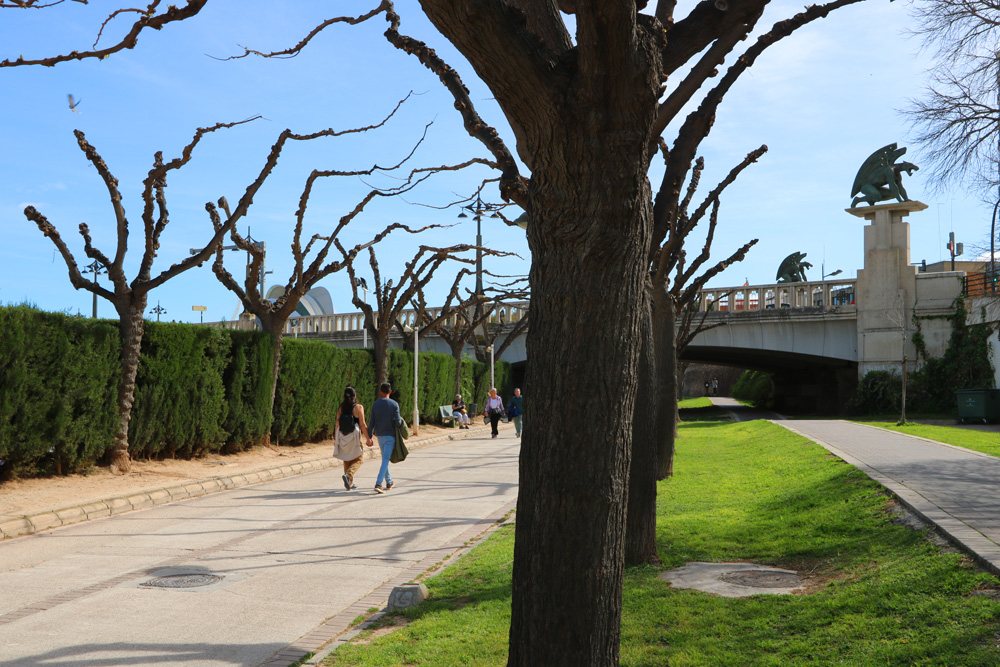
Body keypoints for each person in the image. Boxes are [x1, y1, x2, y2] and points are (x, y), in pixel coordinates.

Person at [333, 386, 373, 491]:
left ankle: (350, 483)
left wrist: (335, 438)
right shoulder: (358, 407)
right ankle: (348, 475)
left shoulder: (341, 408)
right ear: (355, 395)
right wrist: (368, 438)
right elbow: (363, 424)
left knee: (347, 458)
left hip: (343, 435)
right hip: (354, 435)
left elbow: (337, 423)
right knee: (359, 459)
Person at [369, 381, 402, 493]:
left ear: (380, 392)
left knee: (384, 459)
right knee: (386, 459)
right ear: (390, 392)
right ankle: (378, 484)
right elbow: (398, 422)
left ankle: (389, 481)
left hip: (380, 436)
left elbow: (371, 422)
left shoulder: (375, 404)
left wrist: (369, 436)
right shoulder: (394, 404)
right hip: (390, 436)